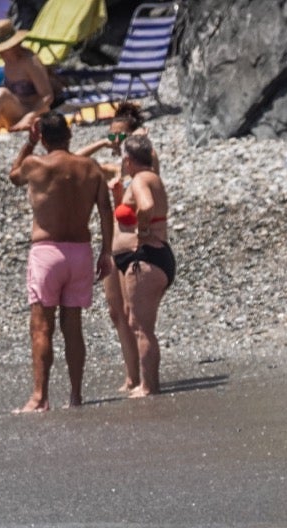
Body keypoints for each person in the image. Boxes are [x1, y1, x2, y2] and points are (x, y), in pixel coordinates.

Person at [9, 112, 115, 412]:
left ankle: (40, 397)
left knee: (42, 328)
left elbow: (14, 176)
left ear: (42, 136)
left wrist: (28, 144)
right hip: (81, 251)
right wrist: (106, 251)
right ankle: (76, 395)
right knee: (73, 327)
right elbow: (106, 211)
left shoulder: (35, 164)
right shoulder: (91, 168)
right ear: (69, 136)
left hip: (48, 251)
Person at [79, 104, 154, 391]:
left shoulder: (143, 171)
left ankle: (143, 377)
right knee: (115, 312)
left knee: (132, 312)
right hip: (111, 244)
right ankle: (131, 375)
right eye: (112, 137)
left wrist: (139, 142)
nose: (115, 143)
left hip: (133, 245)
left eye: (120, 137)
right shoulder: (110, 168)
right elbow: (73, 159)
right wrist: (102, 142)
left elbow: (152, 162)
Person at [113, 133, 175, 398]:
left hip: (146, 258)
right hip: (152, 258)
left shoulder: (140, 180)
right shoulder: (151, 176)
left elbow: (146, 206)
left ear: (128, 160)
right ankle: (145, 382)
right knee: (137, 322)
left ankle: (149, 386)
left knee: (141, 327)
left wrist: (141, 231)